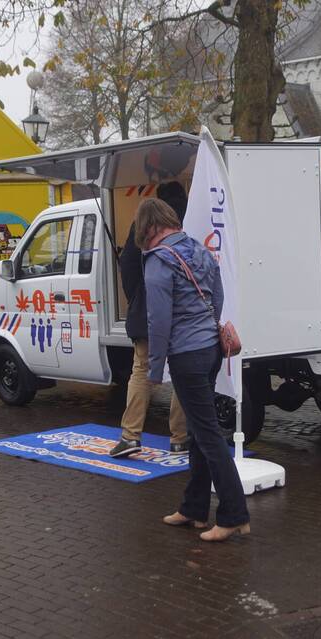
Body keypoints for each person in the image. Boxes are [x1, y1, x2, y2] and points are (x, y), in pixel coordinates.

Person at [137, 198, 250, 542]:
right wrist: (205, 327)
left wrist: (154, 369)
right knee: (199, 434)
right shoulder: (200, 250)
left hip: (186, 355)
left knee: (209, 435)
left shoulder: (159, 262)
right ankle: (194, 509)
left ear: (148, 227)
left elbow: (159, 322)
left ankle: (234, 515)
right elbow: (217, 296)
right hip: (211, 349)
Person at [109, 182, 189, 458]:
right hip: (182, 314)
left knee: (141, 370)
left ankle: (131, 436)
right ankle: (180, 438)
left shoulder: (143, 226)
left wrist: (137, 300)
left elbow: (128, 265)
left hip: (147, 313)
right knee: (180, 373)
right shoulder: (190, 221)